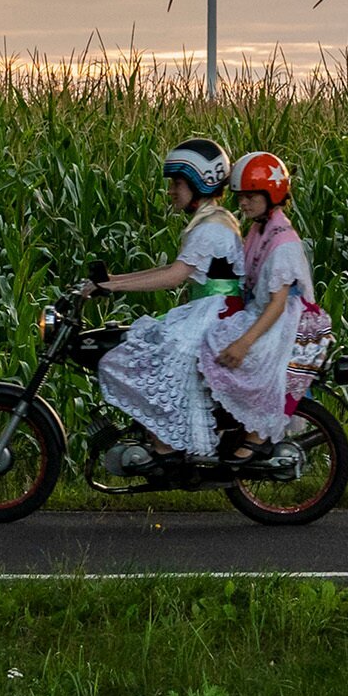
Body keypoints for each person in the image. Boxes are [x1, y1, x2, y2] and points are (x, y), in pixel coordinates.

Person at [89, 136, 244, 462]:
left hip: (215, 313)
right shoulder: (210, 221)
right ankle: (162, 440)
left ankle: (168, 446)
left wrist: (114, 288)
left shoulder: (212, 227)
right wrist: (113, 280)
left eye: (177, 183)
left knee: (138, 356)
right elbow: (177, 268)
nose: (171, 191)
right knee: (144, 351)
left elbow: (175, 276)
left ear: (200, 182)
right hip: (209, 309)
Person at [201, 150, 329, 465]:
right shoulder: (260, 229)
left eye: (250, 196)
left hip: (282, 323)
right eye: (240, 196)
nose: (242, 203)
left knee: (232, 354)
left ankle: (257, 436)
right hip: (263, 314)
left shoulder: (282, 241)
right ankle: (227, 427)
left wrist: (245, 343)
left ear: (270, 194)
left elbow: (277, 303)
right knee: (206, 341)